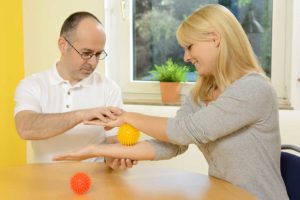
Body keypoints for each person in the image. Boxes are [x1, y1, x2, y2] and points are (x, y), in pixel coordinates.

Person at [53, 5, 289, 200]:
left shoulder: (254, 89)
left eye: (189, 46)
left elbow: (185, 131)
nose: (186, 57)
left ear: (215, 39)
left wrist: (126, 116)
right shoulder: (202, 94)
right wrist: (96, 150)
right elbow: (172, 144)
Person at [14, 11, 136, 169]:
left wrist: (116, 158)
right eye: (86, 53)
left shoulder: (109, 88)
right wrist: (81, 115)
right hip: (44, 182)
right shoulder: (32, 85)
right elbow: (25, 128)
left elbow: (113, 142)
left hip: (95, 182)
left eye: (98, 54)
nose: (92, 62)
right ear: (63, 45)